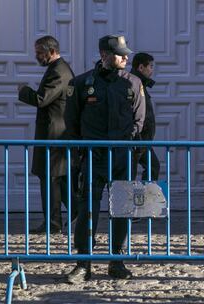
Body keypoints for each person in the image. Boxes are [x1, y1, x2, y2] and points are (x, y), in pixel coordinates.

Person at [65, 34, 146, 283]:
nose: (125, 57)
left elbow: (139, 120)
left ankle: (117, 260)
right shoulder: (82, 83)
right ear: (104, 55)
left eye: (126, 53)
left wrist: (127, 146)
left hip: (121, 157)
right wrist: (82, 148)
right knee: (87, 210)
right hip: (93, 156)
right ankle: (83, 264)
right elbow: (72, 121)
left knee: (121, 210)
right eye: (120, 53)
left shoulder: (133, 83)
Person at [18, 35, 76, 234]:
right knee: (58, 179)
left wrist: (24, 91)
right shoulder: (57, 69)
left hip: (54, 136)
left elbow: (42, 99)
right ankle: (76, 214)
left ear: (51, 51)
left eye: (39, 52)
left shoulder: (59, 71)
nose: (36, 56)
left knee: (51, 180)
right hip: (53, 135)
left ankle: (54, 224)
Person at [130, 52, 160, 181]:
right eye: (151, 66)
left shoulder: (141, 83)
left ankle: (144, 197)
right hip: (137, 139)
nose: (152, 70)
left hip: (143, 140)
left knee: (152, 167)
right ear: (141, 67)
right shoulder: (134, 83)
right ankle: (135, 199)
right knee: (130, 172)